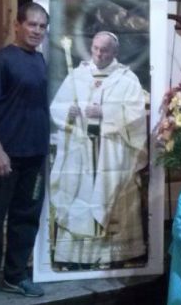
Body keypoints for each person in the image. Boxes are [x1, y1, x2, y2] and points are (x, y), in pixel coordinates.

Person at [49, 31, 148, 267]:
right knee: (80, 197)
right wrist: (69, 113)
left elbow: (136, 115)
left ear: (115, 52)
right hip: (81, 150)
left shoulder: (126, 78)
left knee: (112, 197)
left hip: (111, 151)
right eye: (95, 48)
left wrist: (105, 113)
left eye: (104, 50)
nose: (99, 54)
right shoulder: (77, 75)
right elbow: (57, 107)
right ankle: (76, 256)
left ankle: (112, 255)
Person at [0, 2, 50, 304]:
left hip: (35, 155)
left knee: (26, 218)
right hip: (4, 156)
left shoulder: (42, 61)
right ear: (17, 25)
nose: (37, 31)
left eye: (42, 27)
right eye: (32, 25)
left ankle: (15, 275)